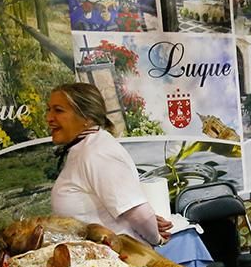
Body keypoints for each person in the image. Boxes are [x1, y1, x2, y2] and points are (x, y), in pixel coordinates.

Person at [48, 83, 172, 245]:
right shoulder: (84, 148)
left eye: (58, 110)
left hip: (119, 261)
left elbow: (136, 212)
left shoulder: (98, 152)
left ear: (86, 117)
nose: (49, 118)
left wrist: (157, 239)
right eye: (48, 109)